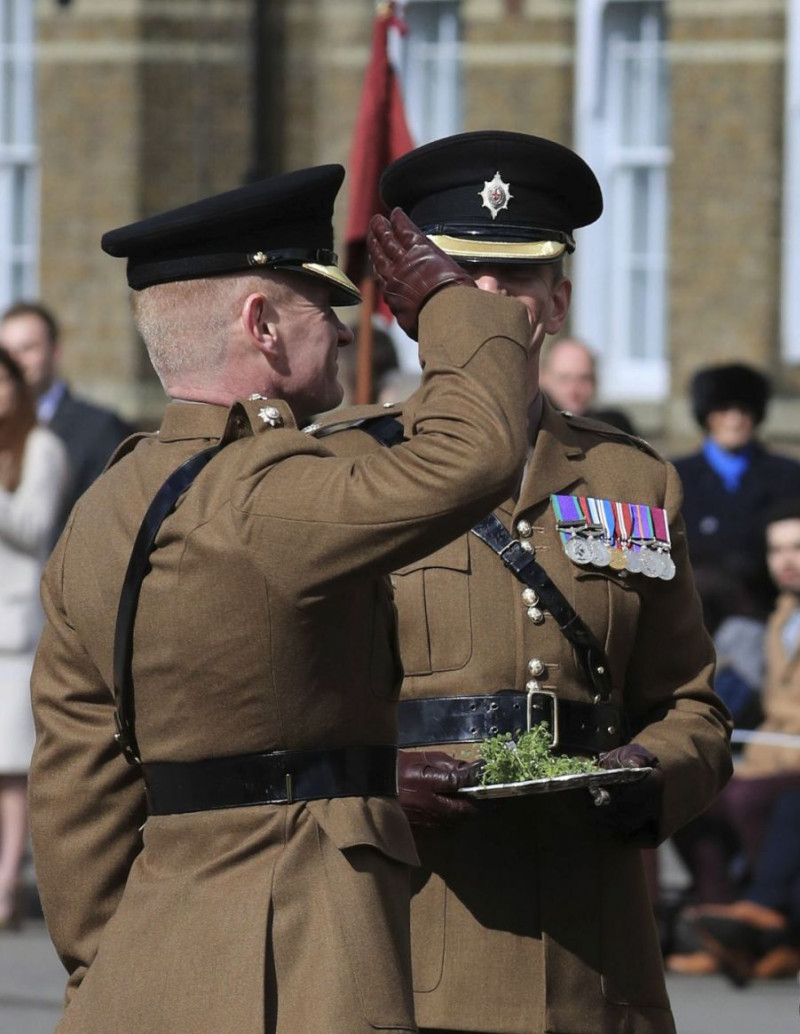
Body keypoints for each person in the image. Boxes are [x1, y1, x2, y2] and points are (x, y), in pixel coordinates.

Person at [27, 165, 533, 1033]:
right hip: (309, 957)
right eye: (318, 306)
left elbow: (78, 783)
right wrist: (448, 307)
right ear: (260, 324)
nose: (342, 335)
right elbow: (478, 453)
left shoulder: (105, 503)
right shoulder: (269, 491)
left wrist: (111, 965)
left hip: (149, 958)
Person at [372, 130, 732, 1034]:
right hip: (417, 936)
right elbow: (278, 712)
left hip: (591, 953)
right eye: (461, 281)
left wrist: (656, 772)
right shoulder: (348, 469)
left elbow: (691, 704)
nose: (490, 301)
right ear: (414, 307)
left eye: (517, 279)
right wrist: (377, 776)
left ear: (557, 302)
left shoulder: (632, 479)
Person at [671, 497, 800, 978]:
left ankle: (779, 928)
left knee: (744, 798)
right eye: (776, 550)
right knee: (689, 797)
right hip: (769, 754)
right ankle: (723, 928)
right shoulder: (781, 612)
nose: (787, 560)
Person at [0, 348, 66, 929]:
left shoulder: (41, 448)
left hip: (15, 632)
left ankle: (6, 886)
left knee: (13, 769)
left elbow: (32, 527)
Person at [674, 362, 800, 615]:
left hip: (766, 613)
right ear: (706, 414)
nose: (735, 420)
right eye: (724, 409)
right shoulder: (676, 477)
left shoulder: (788, 475)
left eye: (743, 410)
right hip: (694, 616)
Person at [0, 301, 133, 535]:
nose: (15, 362)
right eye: (7, 353)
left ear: (55, 352)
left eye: (27, 349)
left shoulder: (99, 427)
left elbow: (110, 519)